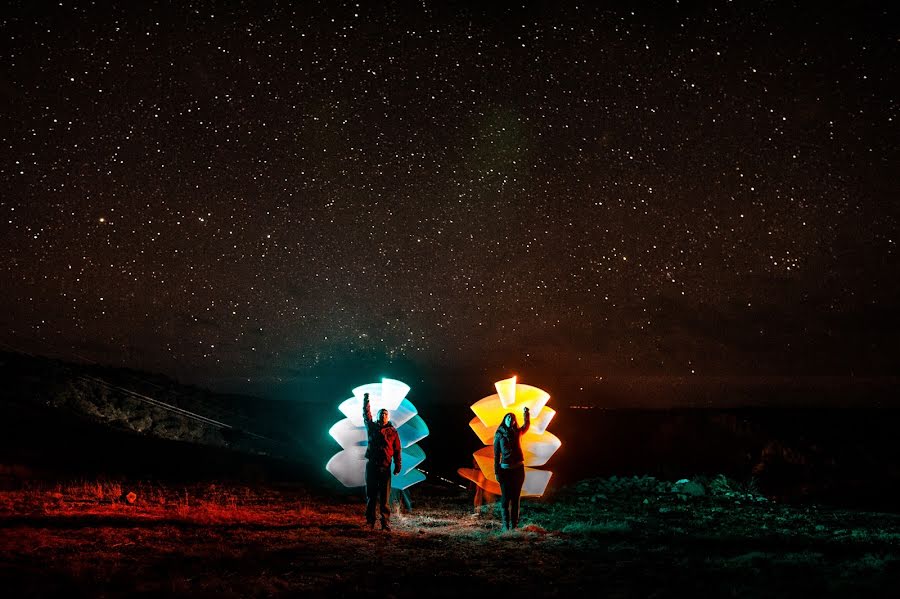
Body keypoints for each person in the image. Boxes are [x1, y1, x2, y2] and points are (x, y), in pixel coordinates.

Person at [363, 392, 402, 531]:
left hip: (385, 468)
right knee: (371, 495)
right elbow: (366, 416)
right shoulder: (372, 427)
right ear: (378, 416)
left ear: (388, 417)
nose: (383, 415)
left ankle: (385, 522)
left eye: (385, 413)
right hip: (372, 466)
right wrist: (366, 401)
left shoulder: (392, 431)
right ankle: (370, 521)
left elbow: (397, 449)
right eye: (381, 413)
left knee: (385, 497)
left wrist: (398, 465)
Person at [493, 406, 530, 530]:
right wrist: (497, 472)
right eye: (508, 417)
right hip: (505, 470)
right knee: (505, 497)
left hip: (518, 470)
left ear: (514, 421)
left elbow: (526, 425)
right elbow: (496, 454)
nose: (511, 419)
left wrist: (526, 413)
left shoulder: (517, 432)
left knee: (515, 498)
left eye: (513, 418)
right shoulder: (499, 434)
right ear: (504, 420)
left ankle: (514, 526)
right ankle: (505, 526)